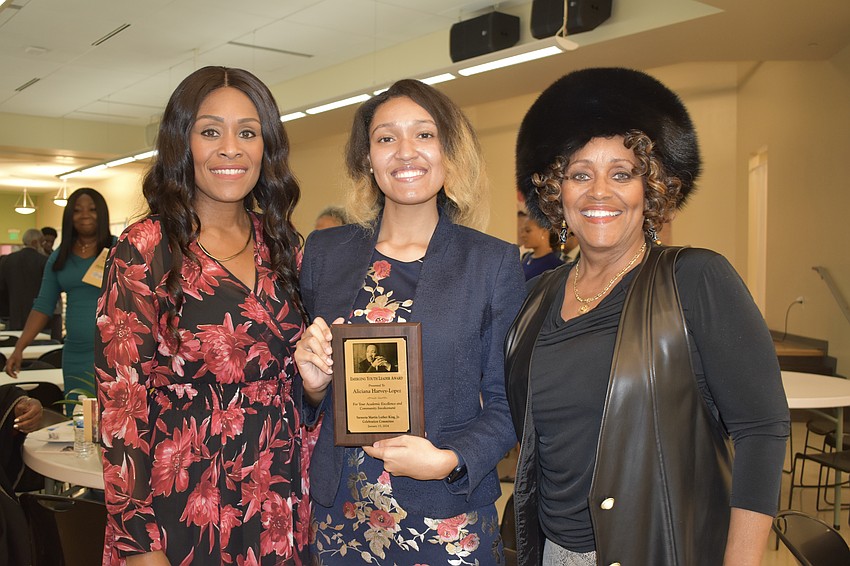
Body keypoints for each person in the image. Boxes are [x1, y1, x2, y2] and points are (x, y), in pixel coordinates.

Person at [505, 68, 790, 566]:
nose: (599, 192)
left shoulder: (695, 280)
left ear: (651, 187)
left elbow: (761, 429)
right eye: (579, 174)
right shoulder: (534, 299)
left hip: (665, 549)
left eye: (622, 173)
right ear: (556, 192)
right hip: (551, 552)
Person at [295, 79, 525, 564]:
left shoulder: (492, 264)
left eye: (424, 135)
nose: (405, 153)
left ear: (449, 151)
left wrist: (449, 460)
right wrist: (314, 386)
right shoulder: (324, 254)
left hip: (445, 515)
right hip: (342, 517)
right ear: (367, 159)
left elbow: (510, 403)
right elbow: (308, 399)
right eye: (386, 138)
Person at [94, 66, 311, 565]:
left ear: (267, 148)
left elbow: (303, 377)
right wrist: (138, 544)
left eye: (248, 132)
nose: (230, 148)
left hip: (276, 498)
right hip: (182, 504)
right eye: (210, 131)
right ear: (181, 144)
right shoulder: (145, 248)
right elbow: (120, 407)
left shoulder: (281, 245)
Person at [5, 188, 113, 403]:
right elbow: (43, 306)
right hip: (75, 354)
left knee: (115, 423)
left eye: (92, 209)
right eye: (77, 210)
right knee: (80, 420)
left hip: (114, 353)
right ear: (69, 216)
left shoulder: (119, 248)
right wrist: (19, 348)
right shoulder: (60, 256)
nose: (85, 215)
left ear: (101, 213)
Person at [0, 229, 47, 330]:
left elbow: (2, 287)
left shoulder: (7, 260)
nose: (44, 245)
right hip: (38, 315)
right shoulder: (44, 261)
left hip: (12, 313)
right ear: (35, 242)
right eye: (42, 242)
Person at [520, 215, 563, 280]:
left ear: (544, 232)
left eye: (528, 231)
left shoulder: (555, 265)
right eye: (522, 231)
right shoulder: (526, 257)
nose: (523, 235)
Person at [40, 226, 64, 340]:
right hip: (43, 305)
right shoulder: (38, 258)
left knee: (56, 338)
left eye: (51, 241)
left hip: (57, 307)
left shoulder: (57, 256)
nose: (48, 244)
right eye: (46, 241)